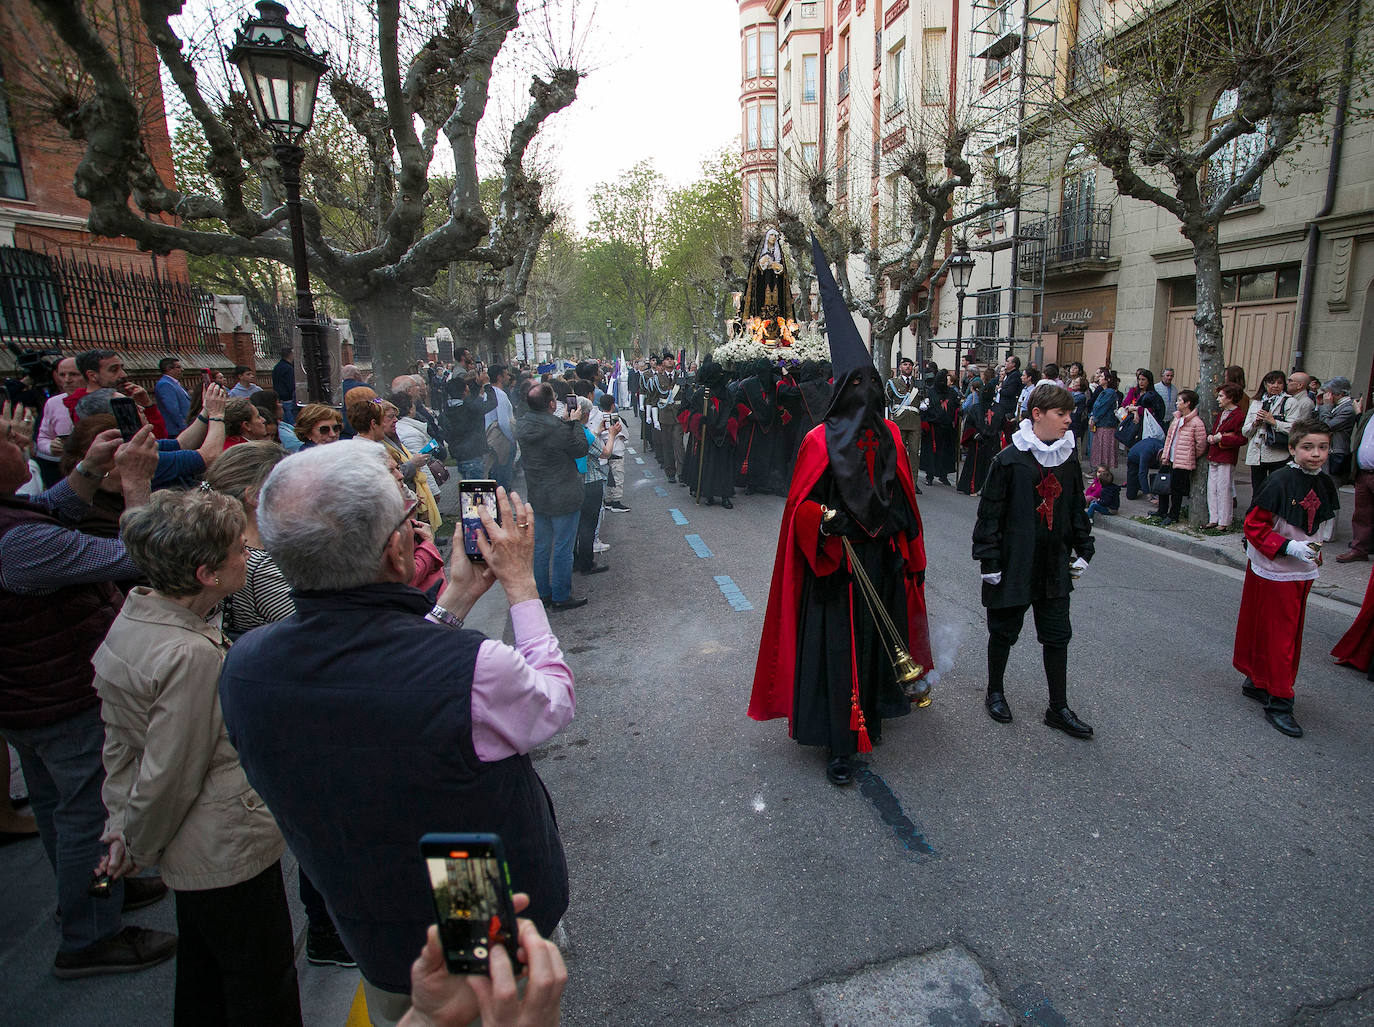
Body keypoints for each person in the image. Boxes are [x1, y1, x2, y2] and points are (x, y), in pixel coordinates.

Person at [220, 442, 574, 1024]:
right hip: (465, 883)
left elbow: (378, 683)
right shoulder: (469, 667)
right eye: (410, 521)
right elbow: (552, 703)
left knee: (406, 1010)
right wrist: (520, 586)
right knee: (496, 1008)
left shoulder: (246, 665)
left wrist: (455, 598)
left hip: (364, 901)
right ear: (395, 551)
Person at [91, 488, 299, 1023]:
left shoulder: (136, 619)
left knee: (206, 974)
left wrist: (120, 823)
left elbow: (120, 745)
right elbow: (171, 773)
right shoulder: (190, 655)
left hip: (197, 848)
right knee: (260, 984)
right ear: (206, 573)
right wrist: (136, 842)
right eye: (238, 548)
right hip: (223, 843)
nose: (247, 555)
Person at [0, 405, 178, 979]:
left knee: (59, 810)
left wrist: (84, 472)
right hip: (58, 697)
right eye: (5, 438)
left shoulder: (14, 520)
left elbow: (50, 509)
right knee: (89, 817)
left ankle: (91, 897)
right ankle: (91, 934)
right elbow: (139, 556)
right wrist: (136, 486)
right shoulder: (18, 544)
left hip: (29, 697)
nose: (20, 442)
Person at [750, 236, 932, 787]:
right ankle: (838, 741)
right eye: (859, 388)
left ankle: (870, 718)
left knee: (876, 646)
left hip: (877, 561)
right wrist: (825, 522)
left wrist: (899, 541)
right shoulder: (817, 443)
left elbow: (904, 501)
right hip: (835, 568)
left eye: (870, 388)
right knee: (837, 652)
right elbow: (799, 511)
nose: (866, 397)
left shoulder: (892, 438)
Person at [973, 383, 1095, 739]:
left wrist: (1084, 549)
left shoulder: (1068, 459)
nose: (1068, 422)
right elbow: (990, 515)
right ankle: (995, 690)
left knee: (1057, 637)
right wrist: (989, 561)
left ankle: (1058, 707)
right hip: (1014, 563)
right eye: (1062, 414)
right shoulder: (1009, 460)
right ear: (1037, 415)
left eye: (1070, 414)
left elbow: (1075, 507)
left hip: (1054, 565)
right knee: (1004, 631)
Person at [1232, 419, 1338, 738]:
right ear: (1292, 448)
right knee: (1281, 636)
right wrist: (1289, 546)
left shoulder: (1325, 482)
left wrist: (1315, 546)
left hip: (1302, 569)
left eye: (1322, 447)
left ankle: (1258, 679)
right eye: (1308, 447)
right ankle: (1280, 700)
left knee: (1282, 631)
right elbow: (1254, 526)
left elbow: (1318, 521)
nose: (1316, 454)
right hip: (1276, 568)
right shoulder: (1278, 481)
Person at [518, 383, 592, 611]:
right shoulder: (558, 427)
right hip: (563, 493)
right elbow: (580, 448)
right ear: (551, 404)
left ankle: (542, 592)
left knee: (541, 546)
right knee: (562, 547)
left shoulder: (522, 425)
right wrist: (575, 423)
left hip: (538, 493)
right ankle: (561, 594)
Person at [1243, 369, 1313, 498]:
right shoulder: (1256, 403)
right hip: (1256, 452)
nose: (1275, 385)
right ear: (1265, 384)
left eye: (1279, 383)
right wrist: (1255, 423)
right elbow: (1245, 431)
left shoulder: (1290, 402)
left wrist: (1273, 421)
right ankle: (1256, 517)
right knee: (1257, 491)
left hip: (1277, 452)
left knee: (1276, 490)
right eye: (1271, 382)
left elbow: (1294, 428)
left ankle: (1273, 517)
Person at [683, 361, 738, 508]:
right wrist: (700, 420)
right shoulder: (700, 394)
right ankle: (709, 494)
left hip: (723, 434)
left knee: (724, 466)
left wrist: (729, 424)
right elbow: (692, 414)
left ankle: (725, 496)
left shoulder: (727, 393)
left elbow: (734, 412)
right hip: (707, 436)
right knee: (709, 465)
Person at [573, 397, 615, 576]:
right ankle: (586, 562)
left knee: (576, 525)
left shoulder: (570, 431)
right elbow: (605, 453)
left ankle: (575, 559)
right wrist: (611, 435)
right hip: (591, 481)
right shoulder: (585, 433)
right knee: (588, 525)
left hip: (574, 482)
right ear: (587, 414)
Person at [1156, 389, 1208, 525]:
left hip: (1183, 460)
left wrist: (1190, 455)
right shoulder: (1177, 418)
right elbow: (1169, 437)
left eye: (1180, 401)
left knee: (1176, 490)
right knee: (1163, 484)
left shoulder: (1196, 422)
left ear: (1188, 403)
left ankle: (1173, 515)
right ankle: (1161, 510)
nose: (1177, 403)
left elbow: (1201, 443)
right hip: (1170, 458)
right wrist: (1165, 454)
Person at [34, 356, 83, 488]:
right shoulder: (53, 402)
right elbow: (42, 438)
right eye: (62, 375)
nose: (67, 380)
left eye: (74, 374)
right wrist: (50, 446)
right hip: (60, 470)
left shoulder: (103, 400)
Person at [1122, 370, 1168, 501]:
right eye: (1139, 379)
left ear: (1149, 381)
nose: (1141, 382)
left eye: (1143, 380)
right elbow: (1125, 405)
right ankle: (1135, 484)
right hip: (1135, 429)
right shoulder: (1134, 391)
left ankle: (1145, 486)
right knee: (1130, 494)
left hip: (1148, 431)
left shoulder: (1153, 395)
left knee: (1143, 465)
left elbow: (1156, 412)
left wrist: (1137, 409)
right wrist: (1133, 410)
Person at [1205, 383, 1246, 528]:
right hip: (1215, 454)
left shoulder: (1239, 416)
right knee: (1212, 488)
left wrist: (1221, 438)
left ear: (1231, 398)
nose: (1218, 399)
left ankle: (1224, 520)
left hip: (1226, 456)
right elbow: (1218, 432)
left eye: (1221, 396)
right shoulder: (1223, 413)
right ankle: (1213, 518)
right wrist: (1213, 437)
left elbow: (1242, 438)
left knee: (1224, 489)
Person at [956, 379, 1002, 497]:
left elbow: (1001, 424)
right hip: (978, 442)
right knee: (976, 466)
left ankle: (989, 488)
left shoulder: (998, 408)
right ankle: (972, 486)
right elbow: (969, 424)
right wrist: (973, 434)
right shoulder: (976, 408)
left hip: (992, 443)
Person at [919, 367, 959, 487]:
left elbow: (955, 407)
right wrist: (924, 423)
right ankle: (930, 475)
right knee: (931, 452)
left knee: (945, 452)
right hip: (933, 427)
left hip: (947, 427)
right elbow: (925, 408)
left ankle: (943, 475)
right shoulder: (930, 392)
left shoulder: (952, 393)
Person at [1317, 376, 1356, 478]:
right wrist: (1319, 405)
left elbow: (1325, 426)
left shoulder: (1348, 409)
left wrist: (1326, 406)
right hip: (1327, 451)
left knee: (1331, 486)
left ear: (1339, 394)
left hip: (1335, 453)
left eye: (1327, 392)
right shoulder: (1335, 405)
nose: (1325, 396)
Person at [1088, 369, 1121, 470]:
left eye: (1102, 377)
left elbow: (1102, 407)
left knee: (1103, 449)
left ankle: (1103, 472)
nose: (1099, 378)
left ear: (1108, 380)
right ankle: (1099, 471)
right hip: (1101, 424)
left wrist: (1094, 419)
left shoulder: (1109, 393)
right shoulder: (1104, 392)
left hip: (1106, 425)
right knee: (1099, 448)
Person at [154, 357, 192, 437]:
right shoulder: (165, 384)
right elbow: (173, 409)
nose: (182, 370)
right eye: (178, 367)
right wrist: (184, 427)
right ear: (169, 369)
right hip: (176, 431)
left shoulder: (174, 383)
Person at [272, 348, 297, 423]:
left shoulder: (277, 367)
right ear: (290, 355)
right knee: (292, 422)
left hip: (280, 399)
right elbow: (292, 385)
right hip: (289, 399)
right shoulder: (288, 368)